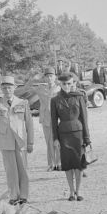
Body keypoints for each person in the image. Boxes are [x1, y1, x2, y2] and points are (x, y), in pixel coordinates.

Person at [51, 72, 91, 201]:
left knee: (78, 164)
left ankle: (78, 191)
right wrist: (55, 139)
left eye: (69, 83)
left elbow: (85, 120)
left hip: (78, 134)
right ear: (59, 84)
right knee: (67, 164)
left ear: (73, 83)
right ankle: (71, 192)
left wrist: (87, 139)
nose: (67, 86)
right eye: (64, 84)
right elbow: (53, 121)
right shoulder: (55, 100)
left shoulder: (79, 97)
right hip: (63, 135)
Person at [0, 75, 34, 205]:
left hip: (21, 141)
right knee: (11, 171)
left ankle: (24, 195)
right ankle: (13, 195)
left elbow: (29, 123)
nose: (7, 90)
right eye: (4, 87)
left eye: (9, 87)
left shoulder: (23, 102)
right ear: (1, 88)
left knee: (23, 169)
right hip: (6, 141)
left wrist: (30, 142)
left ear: (14, 88)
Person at [38, 67, 61, 171]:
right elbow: (26, 88)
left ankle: (59, 163)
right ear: (44, 78)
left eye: (51, 76)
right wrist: (32, 78)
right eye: (47, 76)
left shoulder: (60, 88)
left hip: (58, 118)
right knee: (49, 142)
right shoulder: (41, 89)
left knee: (59, 141)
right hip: (46, 119)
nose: (49, 78)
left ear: (55, 77)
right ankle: (51, 164)